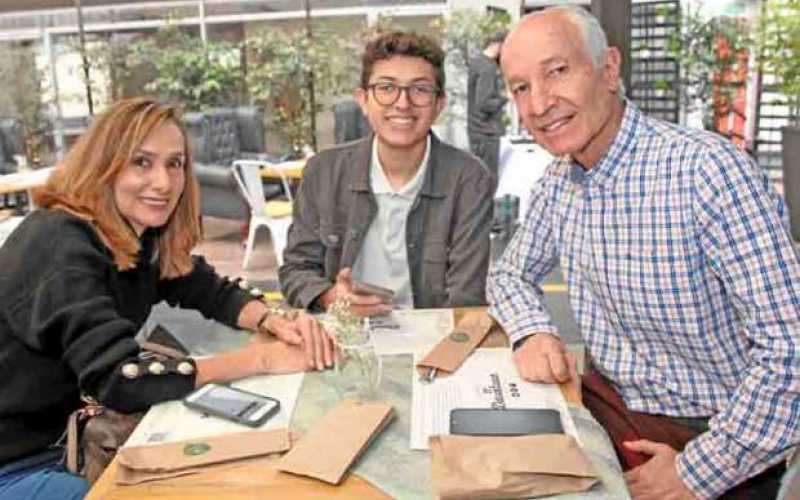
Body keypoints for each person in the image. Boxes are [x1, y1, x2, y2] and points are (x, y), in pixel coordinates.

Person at [488, 6, 800, 500]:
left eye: (557, 71)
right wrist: (532, 331)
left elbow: (792, 352)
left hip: (714, 436)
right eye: (521, 87)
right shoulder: (557, 183)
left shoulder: (708, 172)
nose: (540, 103)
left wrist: (697, 471)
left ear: (609, 69)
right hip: (607, 412)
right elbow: (508, 274)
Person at [0, 97, 335, 499]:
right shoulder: (58, 242)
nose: (163, 182)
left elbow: (204, 287)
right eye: (141, 162)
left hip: (51, 443)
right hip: (13, 464)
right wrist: (262, 359)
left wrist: (271, 320)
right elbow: (121, 381)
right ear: (103, 164)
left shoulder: (133, 235)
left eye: (175, 163)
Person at [280, 31, 495, 317]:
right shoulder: (323, 171)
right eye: (386, 87)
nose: (402, 103)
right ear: (363, 99)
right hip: (344, 331)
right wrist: (331, 297)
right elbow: (296, 269)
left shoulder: (468, 179)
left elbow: (466, 296)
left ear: (439, 104)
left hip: (433, 333)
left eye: (419, 89)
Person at [467, 29, 508, 173]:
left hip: (475, 130)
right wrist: (505, 98)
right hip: (487, 133)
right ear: (500, 45)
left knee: (478, 176)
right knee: (488, 177)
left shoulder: (476, 62)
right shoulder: (488, 67)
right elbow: (484, 103)